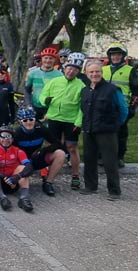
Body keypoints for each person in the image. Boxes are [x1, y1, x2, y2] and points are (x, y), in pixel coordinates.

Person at [80, 62, 129, 200]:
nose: (94, 74)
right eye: (91, 72)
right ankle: (90, 186)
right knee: (89, 159)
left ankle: (114, 191)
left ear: (101, 73)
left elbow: (123, 110)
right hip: (89, 130)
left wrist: (115, 125)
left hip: (107, 131)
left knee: (109, 161)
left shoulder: (112, 90)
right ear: (86, 73)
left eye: (97, 72)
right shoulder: (84, 90)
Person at [38, 51, 87, 189]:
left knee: (72, 147)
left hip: (71, 120)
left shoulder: (81, 86)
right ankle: (47, 172)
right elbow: (43, 95)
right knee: (51, 146)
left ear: (78, 71)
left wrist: (78, 122)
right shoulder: (54, 81)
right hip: (54, 118)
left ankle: (75, 175)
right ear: (64, 68)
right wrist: (44, 101)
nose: (71, 71)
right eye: (69, 68)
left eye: (75, 69)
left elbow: (82, 108)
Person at [102, 43, 138, 168]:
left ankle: (119, 157)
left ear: (123, 56)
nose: (115, 57)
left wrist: (132, 108)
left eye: (118, 54)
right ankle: (102, 156)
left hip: (121, 108)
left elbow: (137, 92)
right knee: (102, 133)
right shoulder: (103, 70)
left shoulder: (131, 71)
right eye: (113, 55)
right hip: (103, 107)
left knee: (120, 134)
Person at [13, 107, 66, 196]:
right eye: (25, 120)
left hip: (36, 157)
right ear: (20, 122)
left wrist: (43, 150)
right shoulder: (16, 133)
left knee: (60, 153)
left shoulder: (41, 129)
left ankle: (48, 183)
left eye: (31, 119)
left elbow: (57, 144)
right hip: (21, 161)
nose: (29, 122)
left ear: (35, 119)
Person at [0, 127, 35, 212]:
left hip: (13, 183)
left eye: (9, 136)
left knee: (23, 168)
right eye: (3, 136)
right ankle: (2, 198)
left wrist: (17, 176)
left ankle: (24, 198)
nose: (6, 139)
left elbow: (30, 167)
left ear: (12, 139)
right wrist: (3, 177)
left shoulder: (18, 151)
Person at [25, 47, 63, 119]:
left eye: (51, 58)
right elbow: (27, 90)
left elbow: (61, 94)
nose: (48, 60)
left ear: (55, 60)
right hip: (35, 106)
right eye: (46, 58)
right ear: (42, 59)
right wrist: (28, 104)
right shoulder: (32, 73)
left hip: (51, 108)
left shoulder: (59, 75)